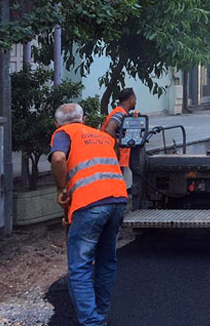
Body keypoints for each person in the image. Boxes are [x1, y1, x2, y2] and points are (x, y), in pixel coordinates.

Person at [49, 103, 129, 326]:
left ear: (57, 124)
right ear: (83, 120)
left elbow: (57, 159)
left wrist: (61, 189)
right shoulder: (102, 136)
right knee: (106, 261)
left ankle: (91, 322)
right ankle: (100, 315)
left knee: (80, 265)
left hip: (90, 205)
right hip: (118, 199)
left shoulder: (63, 133)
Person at [101, 88, 137, 190]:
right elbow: (109, 129)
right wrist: (116, 147)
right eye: (135, 99)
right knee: (116, 184)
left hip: (115, 155)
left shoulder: (121, 113)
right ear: (130, 99)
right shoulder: (120, 113)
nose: (135, 102)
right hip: (115, 155)